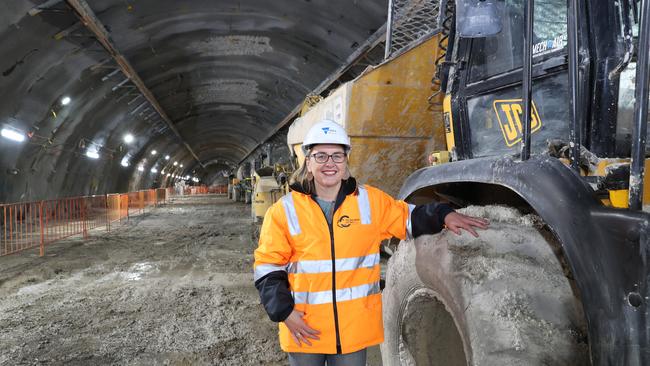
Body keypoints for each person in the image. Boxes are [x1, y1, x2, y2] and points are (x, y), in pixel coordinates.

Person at [253, 120, 488, 365]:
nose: (329, 164)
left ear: (346, 163)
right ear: (308, 162)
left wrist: (443, 214)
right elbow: (268, 266)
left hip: (353, 331)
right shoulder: (283, 211)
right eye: (320, 156)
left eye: (337, 156)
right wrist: (284, 312)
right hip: (304, 328)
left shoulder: (369, 202)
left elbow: (407, 217)